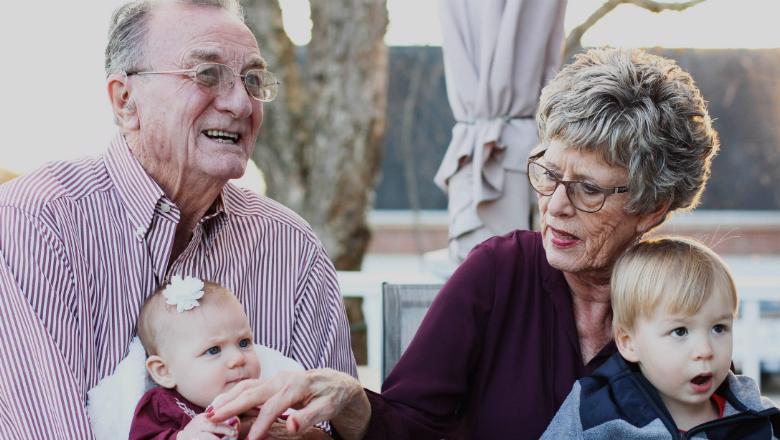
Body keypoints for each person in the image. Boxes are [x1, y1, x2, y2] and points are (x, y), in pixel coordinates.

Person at [208, 47, 722, 440]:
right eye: (547, 172)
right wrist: (350, 400)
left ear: (652, 208)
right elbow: (408, 425)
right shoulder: (498, 272)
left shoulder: (683, 296)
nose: (555, 205)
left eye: (587, 188)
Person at [0, 1, 356, 437]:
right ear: (125, 100)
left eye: (253, 80)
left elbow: (336, 427)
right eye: (207, 74)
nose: (241, 103)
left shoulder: (291, 247)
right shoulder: (35, 223)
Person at [542, 237, 780, 439]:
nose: (705, 350)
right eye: (680, 331)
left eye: (718, 328)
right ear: (628, 342)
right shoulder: (594, 413)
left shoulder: (754, 417)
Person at [129, 276, 258, 439]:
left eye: (244, 343)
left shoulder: (261, 400)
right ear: (165, 371)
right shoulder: (162, 406)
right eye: (213, 350)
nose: (238, 358)